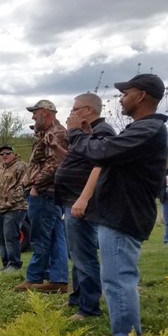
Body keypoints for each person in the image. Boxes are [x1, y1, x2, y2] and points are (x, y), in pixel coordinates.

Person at [67, 73, 168, 336]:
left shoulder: (148, 129)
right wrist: (87, 135)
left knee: (117, 279)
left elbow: (102, 153)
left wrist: (75, 133)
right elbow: (105, 150)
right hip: (118, 212)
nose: (121, 98)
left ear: (142, 96)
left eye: (126, 93)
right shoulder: (141, 128)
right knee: (115, 277)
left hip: (124, 214)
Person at [54, 93, 116, 321]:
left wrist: (84, 198)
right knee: (77, 254)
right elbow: (79, 159)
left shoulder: (103, 131)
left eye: (74, 108)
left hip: (81, 203)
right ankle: (77, 299)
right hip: (71, 200)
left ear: (88, 110)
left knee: (85, 255)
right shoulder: (86, 133)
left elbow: (101, 165)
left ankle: (89, 308)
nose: (70, 114)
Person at [15, 99, 70, 293]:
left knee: (40, 237)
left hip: (45, 193)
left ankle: (35, 277)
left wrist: (36, 187)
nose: (32, 116)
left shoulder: (57, 133)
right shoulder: (49, 133)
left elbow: (55, 164)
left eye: (35, 112)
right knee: (56, 237)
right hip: (48, 193)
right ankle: (59, 280)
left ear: (45, 112)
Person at [0, 145, 28, 272]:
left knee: (10, 236)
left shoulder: (21, 167)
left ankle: (14, 264)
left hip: (15, 207)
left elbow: (23, 186)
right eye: (1, 154)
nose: (4, 155)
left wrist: (11, 201)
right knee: (0, 237)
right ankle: (5, 263)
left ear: (14, 154)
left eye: (7, 153)